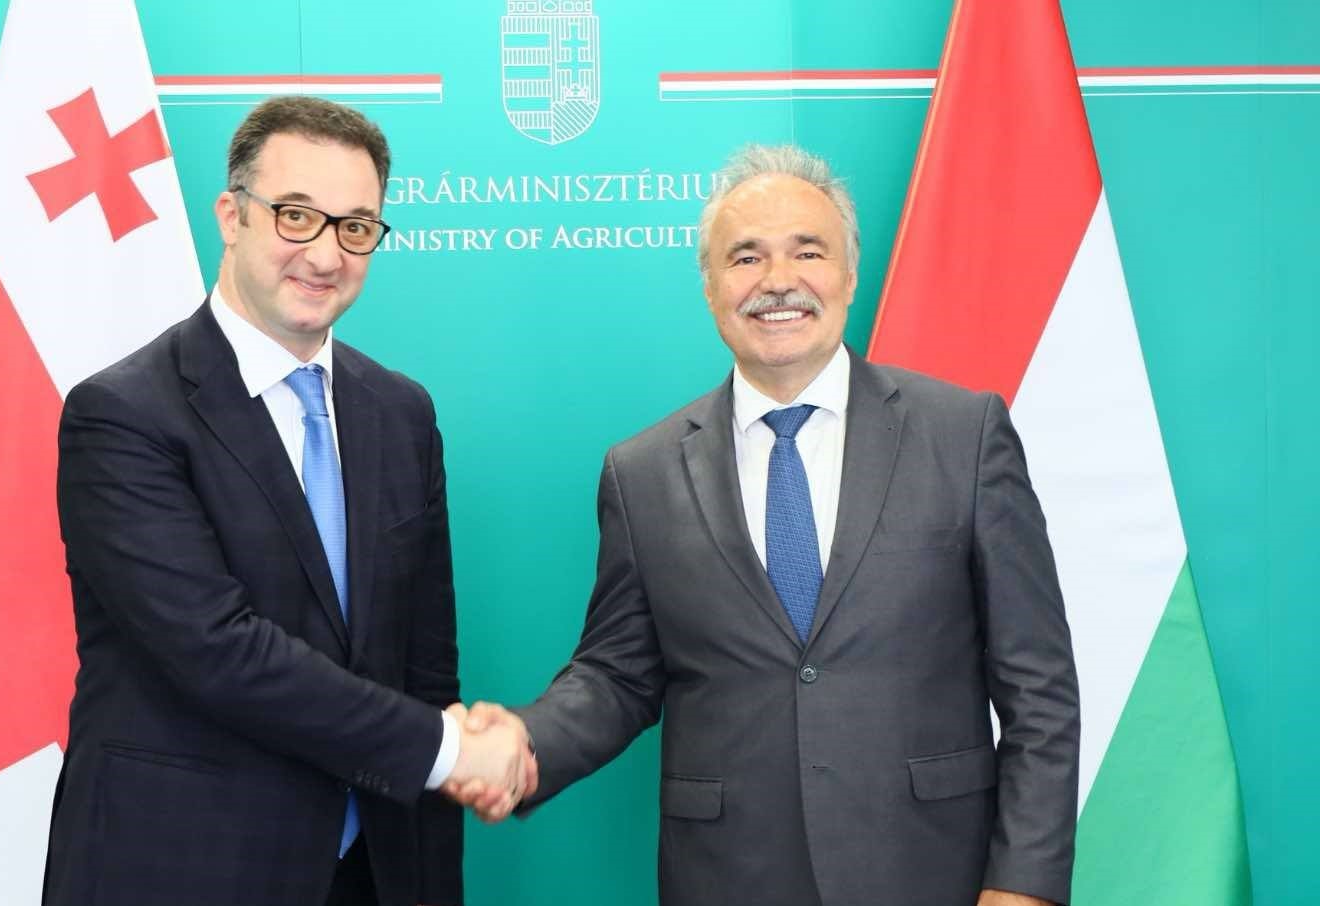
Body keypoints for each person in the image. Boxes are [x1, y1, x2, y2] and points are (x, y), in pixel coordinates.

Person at [451, 145, 1080, 906]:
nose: (778, 280)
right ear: (711, 288)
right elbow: (617, 674)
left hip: (932, 868)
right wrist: (523, 745)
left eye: (807, 252)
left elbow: (1039, 687)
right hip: (729, 875)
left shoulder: (964, 435)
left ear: (849, 274)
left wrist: (1023, 886)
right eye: (745, 257)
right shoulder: (641, 471)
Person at [42, 96, 529, 906]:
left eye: (356, 227)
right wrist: (450, 751)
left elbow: (424, 664)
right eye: (296, 216)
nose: (326, 254)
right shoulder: (123, 415)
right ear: (231, 216)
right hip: (187, 870)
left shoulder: (402, 413)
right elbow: (218, 652)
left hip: (375, 868)